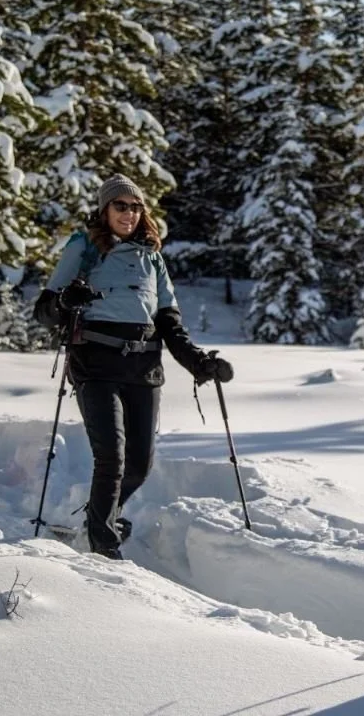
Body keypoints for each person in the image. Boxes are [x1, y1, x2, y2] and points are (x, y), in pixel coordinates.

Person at [33, 174, 233, 560]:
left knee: (139, 465)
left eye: (135, 206)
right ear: (104, 209)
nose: (128, 213)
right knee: (112, 457)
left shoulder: (152, 257)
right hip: (95, 364)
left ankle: (98, 519)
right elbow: (44, 311)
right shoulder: (84, 248)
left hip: (144, 370)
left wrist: (199, 363)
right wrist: (65, 302)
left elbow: (169, 323)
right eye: (120, 205)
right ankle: (103, 546)